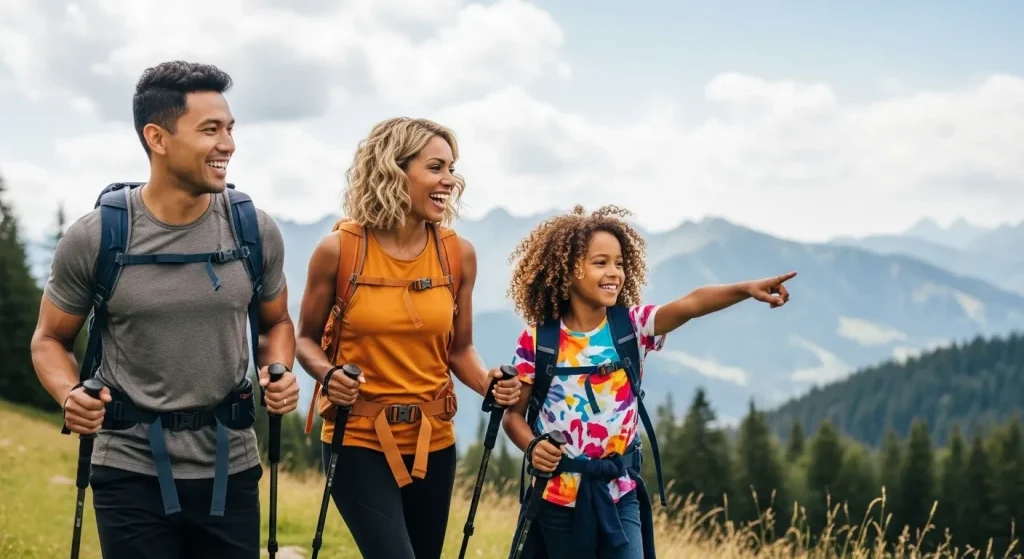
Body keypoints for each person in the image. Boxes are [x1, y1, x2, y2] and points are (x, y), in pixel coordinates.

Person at [31, 60, 299, 558]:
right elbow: (49, 339)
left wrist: (277, 369)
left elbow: (277, 322)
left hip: (230, 465)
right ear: (157, 137)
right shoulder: (96, 236)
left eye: (230, 128)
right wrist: (70, 394)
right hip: (128, 465)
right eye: (210, 130)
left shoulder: (252, 230)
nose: (228, 145)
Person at [501, 204, 796, 559]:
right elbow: (513, 417)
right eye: (601, 263)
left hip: (619, 492)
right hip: (556, 499)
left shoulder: (632, 327)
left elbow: (691, 303)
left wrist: (746, 289)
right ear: (569, 270)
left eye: (620, 263)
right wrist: (533, 447)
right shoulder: (538, 341)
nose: (615, 273)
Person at [295, 116, 522, 558]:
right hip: (356, 437)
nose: (450, 181)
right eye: (435, 167)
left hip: (434, 440)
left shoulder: (457, 254)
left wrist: (488, 384)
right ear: (393, 169)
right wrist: (328, 374)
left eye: (451, 169)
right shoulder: (340, 250)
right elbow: (304, 339)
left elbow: (460, 349)